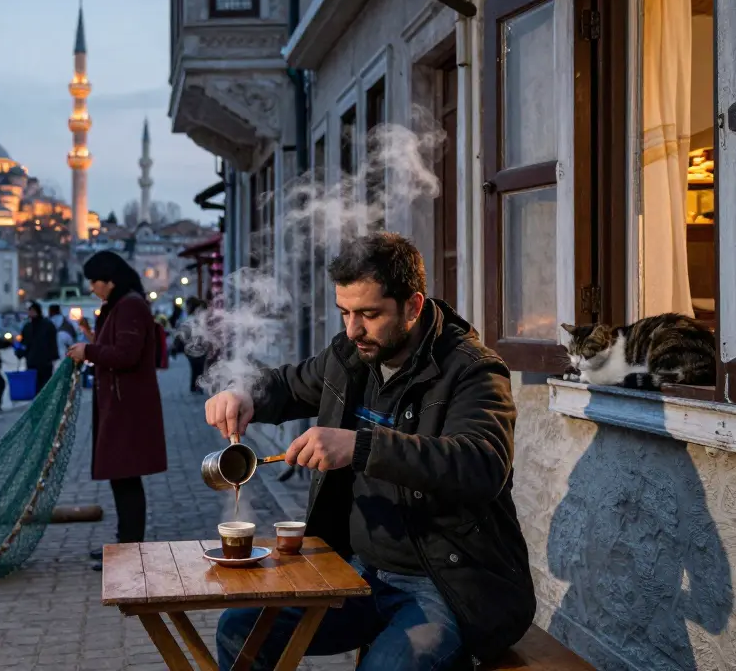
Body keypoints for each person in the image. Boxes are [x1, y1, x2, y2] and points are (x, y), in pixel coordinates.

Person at [204, 233, 534, 670]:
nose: (352, 329)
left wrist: (361, 446)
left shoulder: (474, 370)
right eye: (344, 312)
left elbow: (480, 463)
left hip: (446, 584)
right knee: (239, 628)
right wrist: (243, 393)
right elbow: (289, 385)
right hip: (359, 572)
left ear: (413, 306)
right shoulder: (349, 354)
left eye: (369, 314)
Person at [66, 251, 166, 570]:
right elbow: (116, 346)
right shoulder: (120, 305)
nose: (92, 288)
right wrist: (91, 339)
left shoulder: (130, 306)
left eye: (94, 282)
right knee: (121, 478)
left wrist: (88, 350)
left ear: (109, 280)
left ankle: (130, 549)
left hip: (128, 409)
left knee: (126, 477)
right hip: (119, 405)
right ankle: (125, 542)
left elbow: (126, 354)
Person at [16, 301, 59, 393]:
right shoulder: (28, 327)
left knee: (45, 387)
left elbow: (52, 342)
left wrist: (53, 356)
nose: (31, 313)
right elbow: (24, 343)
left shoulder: (47, 325)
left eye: (32, 310)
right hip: (32, 362)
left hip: (45, 362)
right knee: (36, 387)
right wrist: (20, 352)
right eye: (30, 311)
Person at [178, 297, 208, 394]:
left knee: (197, 367)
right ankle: (196, 386)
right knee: (198, 367)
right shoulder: (195, 317)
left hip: (194, 344)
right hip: (196, 345)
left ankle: (195, 386)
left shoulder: (192, 317)